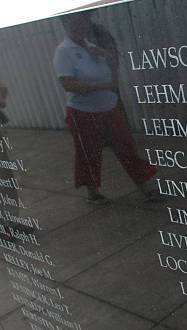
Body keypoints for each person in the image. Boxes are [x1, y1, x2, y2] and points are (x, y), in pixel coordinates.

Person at [53, 13, 157, 204]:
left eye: (82, 21)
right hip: (82, 112)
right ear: (65, 24)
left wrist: (106, 55)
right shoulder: (64, 51)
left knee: (126, 148)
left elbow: (113, 65)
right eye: (73, 22)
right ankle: (93, 194)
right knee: (89, 153)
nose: (79, 26)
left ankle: (146, 189)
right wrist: (104, 85)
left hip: (109, 106)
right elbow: (69, 85)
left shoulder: (92, 46)